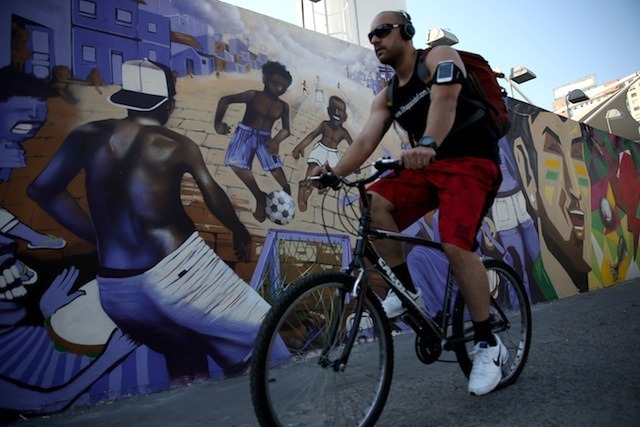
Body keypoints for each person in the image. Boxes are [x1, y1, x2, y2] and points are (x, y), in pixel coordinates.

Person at [28, 59, 279, 381]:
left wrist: (99, 237)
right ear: (168, 104)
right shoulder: (176, 144)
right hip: (179, 272)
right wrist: (240, 232)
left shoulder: (87, 135)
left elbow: (43, 190)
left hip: (117, 290)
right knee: (269, 342)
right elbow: (212, 193)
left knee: (185, 356)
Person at [313, 11, 506, 396]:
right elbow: (366, 141)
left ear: (407, 33)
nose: (375, 40)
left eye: (383, 32)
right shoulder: (387, 96)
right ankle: (408, 293)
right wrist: (334, 173)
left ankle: (487, 343)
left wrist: (429, 142)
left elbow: (445, 98)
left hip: (471, 163)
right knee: (374, 201)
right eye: (371, 36)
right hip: (428, 166)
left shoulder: (438, 58)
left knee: (453, 243)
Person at [214, 61, 292, 222]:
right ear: (265, 79)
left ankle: (287, 190)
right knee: (236, 163)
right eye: (275, 83)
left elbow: (286, 129)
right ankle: (259, 195)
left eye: (284, 86)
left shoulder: (283, 106)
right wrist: (218, 124)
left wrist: (277, 140)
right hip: (245, 134)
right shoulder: (254, 95)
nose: (279, 89)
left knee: (275, 168)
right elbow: (224, 100)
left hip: (266, 137)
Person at [293, 95, 353, 211]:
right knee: (311, 171)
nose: (337, 112)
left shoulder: (343, 132)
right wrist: (300, 146)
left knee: (328, 176)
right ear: (329, 111)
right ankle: (304, 191)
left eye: (340, 110)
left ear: (344, 116)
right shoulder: (325, 125)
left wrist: (355, 164)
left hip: (332, 155)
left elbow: (353, 146)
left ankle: (320, 186)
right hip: (320, 149)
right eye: (334, 108)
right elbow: (312, 135)